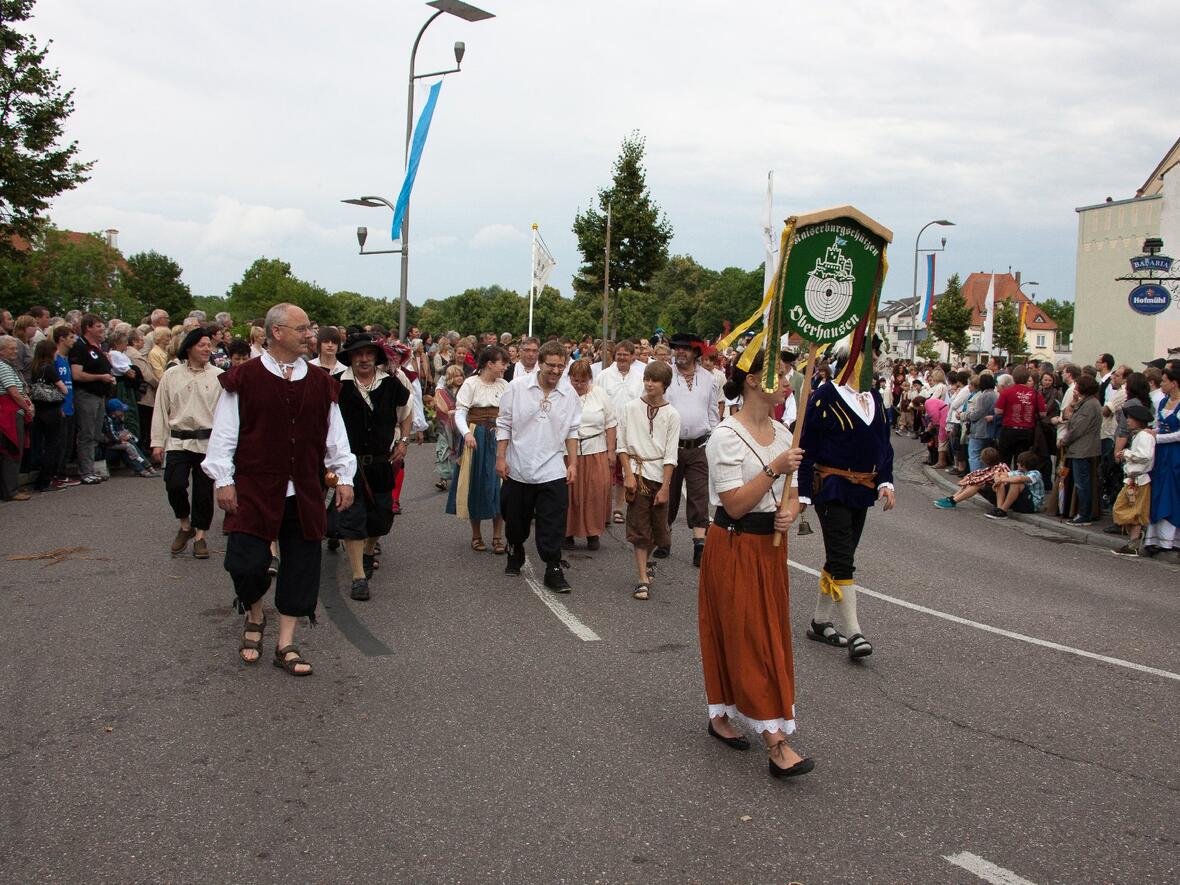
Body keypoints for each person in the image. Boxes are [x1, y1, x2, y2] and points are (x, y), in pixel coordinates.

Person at [203, 304, 356, 676]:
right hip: (254, 487)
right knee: (246, 562)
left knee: (302, 565)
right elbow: (224, 434)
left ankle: (286, 643)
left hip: (304, 488)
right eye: (302, 329)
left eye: (310, 329)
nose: (310, 335)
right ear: (277, 333)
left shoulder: (322, 383)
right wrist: (223, 479)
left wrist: (345, 475)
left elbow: (335, 435)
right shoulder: (243, 378)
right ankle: (255, 615)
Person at [698, 350, 813, 778]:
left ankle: (721, 714)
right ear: (751, 382)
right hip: (734, 544)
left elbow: (793, 494)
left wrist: (791, 511)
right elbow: (734, 504)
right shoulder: (726, 436)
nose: (787, 382)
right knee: (746, 638)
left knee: (770, 636)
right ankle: (777, 743)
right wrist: (773, 468)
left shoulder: (785, 432)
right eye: (779, 376)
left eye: (786, 375)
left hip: (771, 549)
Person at [797, 352, 896, 660]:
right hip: (832, 488)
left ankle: (820, 621)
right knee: (843, 558)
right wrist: (802, 493)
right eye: (867, 359)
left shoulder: (875, 398)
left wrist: (886, 481)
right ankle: (855, 633)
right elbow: (807, 445)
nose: (872, 366)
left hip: (863, 490)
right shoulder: (826, 395)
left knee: (841, 555)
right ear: (851, 362)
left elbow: (884, 444)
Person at [497, 340, 582, 591]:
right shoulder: (517, 388)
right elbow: (504, 424)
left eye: (560, 366)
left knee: (553, 521)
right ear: (539, 363)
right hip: (519, 466)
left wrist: (573, 463)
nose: (555, 371)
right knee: (516, 521)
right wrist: (501, 458)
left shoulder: (569, 395)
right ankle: (515, 548)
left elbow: (573, 431)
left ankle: (553, 568)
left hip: (553, 467)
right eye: (551, 366)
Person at [331, 332, 410, 601]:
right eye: (358, 354)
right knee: (352, 520)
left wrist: (404, 441)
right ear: (350, 357)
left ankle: (367, 553)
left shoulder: (391, 384)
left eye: (368, 354)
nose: (364, 359)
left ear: (376, 357)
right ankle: (358, 577)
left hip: (380, 463)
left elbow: (406, 412)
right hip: (348, 464)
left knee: (380, 518)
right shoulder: (335, 385)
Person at [151, 327, 223, 558]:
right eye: (202, 345)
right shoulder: (172, 375)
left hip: (207, 443)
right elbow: (161, 410)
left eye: (209, 345)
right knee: (174, 485)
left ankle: (201, 536)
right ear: (189, 347)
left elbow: (225, 415)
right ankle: (185, 525)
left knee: (203, 492)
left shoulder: (218, 376)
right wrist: (157, 442)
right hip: (178, 442)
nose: (207, 349)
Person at [660, 332, 724, 566]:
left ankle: (699, 545)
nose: (680, 352)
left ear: (696, 352)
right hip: (670, 447)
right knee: (669, 493)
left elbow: (712, 414)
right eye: (677, 348)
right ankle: (663, 539)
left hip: (699, 446)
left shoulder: (708, 379)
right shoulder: (665, 375)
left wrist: (715, 442)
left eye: (685, 348)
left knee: (699, 495)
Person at [617, 359, 679, 600]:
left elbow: (671, 456)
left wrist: (665, 487)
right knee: (639, 527)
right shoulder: (631, 408)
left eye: (655, 380)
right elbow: (621, 445)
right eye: (647, 379)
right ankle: (642, 577)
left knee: (659, 532)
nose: (649, 384)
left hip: (658, 474)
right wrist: (629, 475)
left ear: (665, 384)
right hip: (638, 471)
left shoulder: (672, 414)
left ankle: (647, 562)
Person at [448, 345, 509, 552]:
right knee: (477, 484)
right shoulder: (471, 383)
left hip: (498, 436)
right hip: (477, 437)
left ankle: (498, 536)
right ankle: (476, 535)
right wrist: (467, 434)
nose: (505, 367)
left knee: (500, 485)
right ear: (490, 364)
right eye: (503, 362)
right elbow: (460, 412)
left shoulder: (504, 385)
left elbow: (510, 413)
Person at [564, 359, 617, 551]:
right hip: (568, 451)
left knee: (595, 491)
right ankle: (567, 532)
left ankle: (593, 532)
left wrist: (611, 450)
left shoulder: (599, 394)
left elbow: (611, 423)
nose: (579, 385)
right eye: (575, 381)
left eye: (583, 381)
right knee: (570, 493)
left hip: (596, 449)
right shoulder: (562, 393)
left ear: (590, 379)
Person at [596, 339, 645, 523]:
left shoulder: (640, 377)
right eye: (619, 354)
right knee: (605, 473)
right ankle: (604, 510)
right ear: (614, 356)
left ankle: (618, 508)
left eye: (626, 354)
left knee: (623, 471)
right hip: (606, 432)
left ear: (633, 356)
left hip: (629, 432)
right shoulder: (604, 376)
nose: (622, 357)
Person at [70, 313, 115, 485]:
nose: (102, 329)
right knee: (86, 434)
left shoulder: (97, 347)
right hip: (86, 395)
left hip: (100, 395)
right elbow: (77, 374)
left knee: (95, 434)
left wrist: (108, 377)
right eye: (98, 326)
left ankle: (91, 468)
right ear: (88, 327)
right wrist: (100, 377)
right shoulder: (80, 347)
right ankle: (85, 471)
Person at [1111, 403, 1156, 557]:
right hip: (1132, 480)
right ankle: (1134, 540)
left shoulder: (1145, 436)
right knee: (1125, 509)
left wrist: (1128, 454)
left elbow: (1146, 456)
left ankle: (1134, 542)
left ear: (1138, 420)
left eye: (1130, 418)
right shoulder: (1138, 436)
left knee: (1133, 512)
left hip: (1139, 480)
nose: (1128, 421)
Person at [1057, 374, 1102, 526]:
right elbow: (1070, 416)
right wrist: (1075, 401)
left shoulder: (1090, 405)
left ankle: (1084, 514)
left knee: (1082, 483)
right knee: (1081, 482)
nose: (1075, 389)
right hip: (1081, 448)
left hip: (1083, 449)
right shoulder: (1086, 403)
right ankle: (1081, 512)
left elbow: (1078, 428)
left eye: (1077, 386)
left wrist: (1064, 439)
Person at [1145, 366, 1180, 556]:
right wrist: (1152, 433)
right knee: (1158, 489)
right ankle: (1156, 537)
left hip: (1175, 453)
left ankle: (1171, 538)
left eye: (1165, 380)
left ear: (1174, 383)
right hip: (1161, 454)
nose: (1162, 383)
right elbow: (1160, 426)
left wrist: (1158, 437)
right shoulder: (1163, 402)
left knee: (1172, 490)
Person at [27, 339, 67, 492]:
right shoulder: (50, 368)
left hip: (39, 410)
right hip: (52, 410)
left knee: (40, 443)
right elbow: (63, 389)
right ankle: (45, 480)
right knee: (52, 445)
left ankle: (40, 477)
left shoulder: (35, 367)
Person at [0, 335, 33, 501]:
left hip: (13, 412)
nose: (15, 351)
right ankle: (10, 490)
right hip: (9, 415)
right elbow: (13, 391)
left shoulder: (8, 366)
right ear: (2, 351)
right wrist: (27, 407)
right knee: (12, 451)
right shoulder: (4, 367)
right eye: (11, 349)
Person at [933, 446, 1007, 509]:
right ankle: (952, 498)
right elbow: (977, 473)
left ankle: (953, 501)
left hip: (1002, 496)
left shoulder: (999, 468)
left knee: (977, 483)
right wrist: (967, 478)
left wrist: (966, 481)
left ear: (984, 461)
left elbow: (982, 479)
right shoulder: (994, 467)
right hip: (997, 493)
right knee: (974, 481)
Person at [984, 450, 1045, 519]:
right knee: (1002, 482)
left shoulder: (1036, 473)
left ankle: (1003, 511)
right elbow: (999, 473)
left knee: (1016, 483)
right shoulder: (1020, 471)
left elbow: (1020, 479)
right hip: (1021, 502)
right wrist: (997, 478)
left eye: (1018, 462)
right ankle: (999, 509)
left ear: (1023, 465)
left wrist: (1002, 480)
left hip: (1032, 505)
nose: (1016, 464)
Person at [102, 398, 155, 476]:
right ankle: (142, 468)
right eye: (121, 410)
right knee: (128, 446)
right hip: (109, 445)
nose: (123, 412)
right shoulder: (108, 419)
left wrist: (129, 437)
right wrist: (121, 440)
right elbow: (111, 435)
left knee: (130, 443)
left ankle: (146, 466)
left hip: (117, 442)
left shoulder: (119, 419)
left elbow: (125, 432)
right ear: (114, 411)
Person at [432, 364, 464, 491]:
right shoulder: (442, 392)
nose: (459, 378)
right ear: (450, 377)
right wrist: (450, 412)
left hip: (461, 428)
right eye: (456, 375)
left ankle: (459, 478)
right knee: (443, 451)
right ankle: (443, 479)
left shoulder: (466, 390)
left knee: (461, 452)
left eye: (461, 375)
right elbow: (439, 408)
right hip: (446, 428)